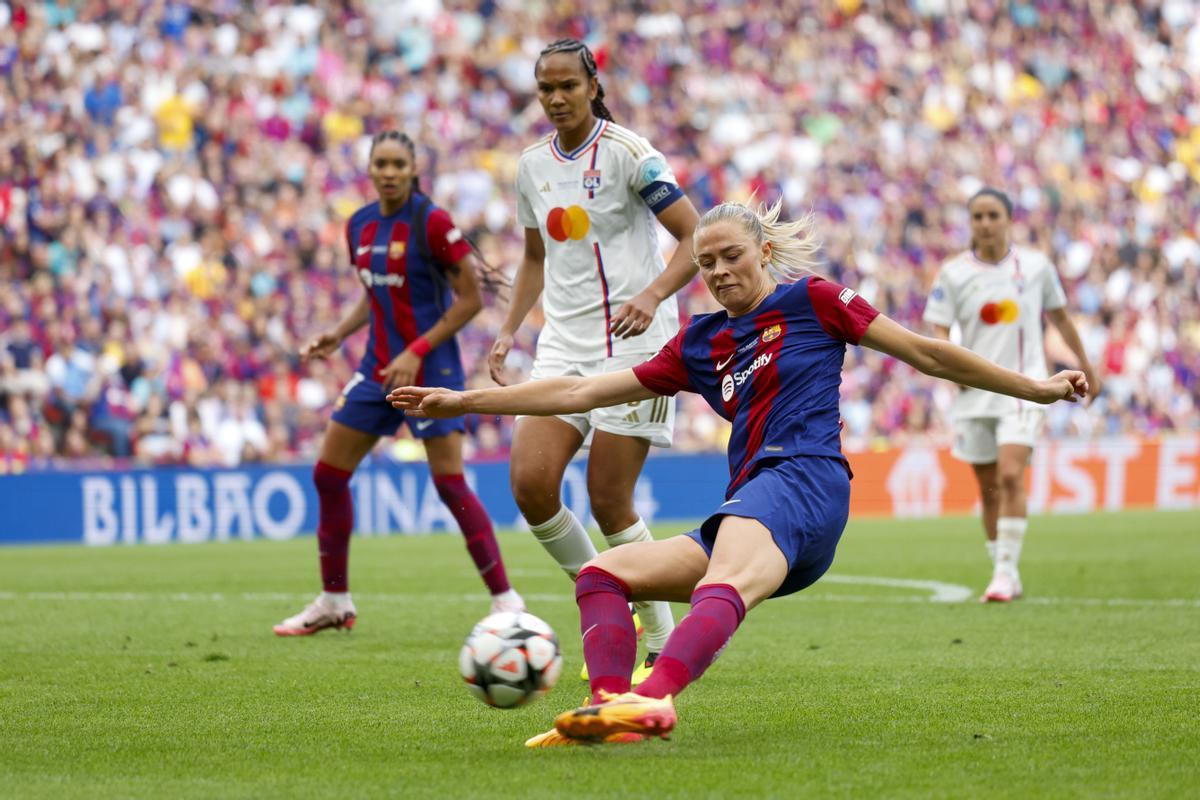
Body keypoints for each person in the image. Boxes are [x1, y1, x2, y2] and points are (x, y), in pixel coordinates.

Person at [388, 199, 1088, 746]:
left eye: (731, 256)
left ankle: (652, 698)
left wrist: (1037, 388)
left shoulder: (814, 300)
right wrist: (467, 400)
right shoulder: (701, 342)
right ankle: (607, 707)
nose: (720, 272)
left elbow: (928, 354)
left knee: (721, 582)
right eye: (707, 262)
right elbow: (580, 391)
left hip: (805, 482)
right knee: (606, 575)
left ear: (765, 252)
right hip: (753, 506)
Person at [487, 38, 702, 679]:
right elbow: (533, 257)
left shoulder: (632, 155)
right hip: (562, 346)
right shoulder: (531, 166)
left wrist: (653, 293)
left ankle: (659, 634)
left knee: (609, 499)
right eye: (545, 89)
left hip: (636, 343)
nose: (556, 99)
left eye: (567, 87)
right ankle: (611, 606)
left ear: (591, 85)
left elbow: (696, 234)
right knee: (529, 484)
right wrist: (507, 332)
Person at [273, 131, 523, 636]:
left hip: (431, 369)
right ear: (369, 168)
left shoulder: (431, 222)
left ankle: (505, 598)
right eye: (380, 163)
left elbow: (471, 300)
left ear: (413, 170)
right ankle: (334, 600)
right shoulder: (360, 225)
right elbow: (375, 294)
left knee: (449, 483)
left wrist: (417, 350)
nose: (388, 172)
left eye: (397, 164)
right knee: (328, 474)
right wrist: (337, 335)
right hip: (378, 369)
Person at [923, 188, 1100, 603]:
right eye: (978, 216)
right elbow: (938, 329)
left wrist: (1085, 364)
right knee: (987, 488)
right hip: (973, 392)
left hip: (1026, 388)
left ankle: (1003, 573)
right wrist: (953, 372)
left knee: (1009, 474)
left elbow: (1060, 317)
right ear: (971, 223)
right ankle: (1005, 569)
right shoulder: (953, 273)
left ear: (1008, 219)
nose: (985, 223)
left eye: (993, 215)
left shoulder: (1036, 267)